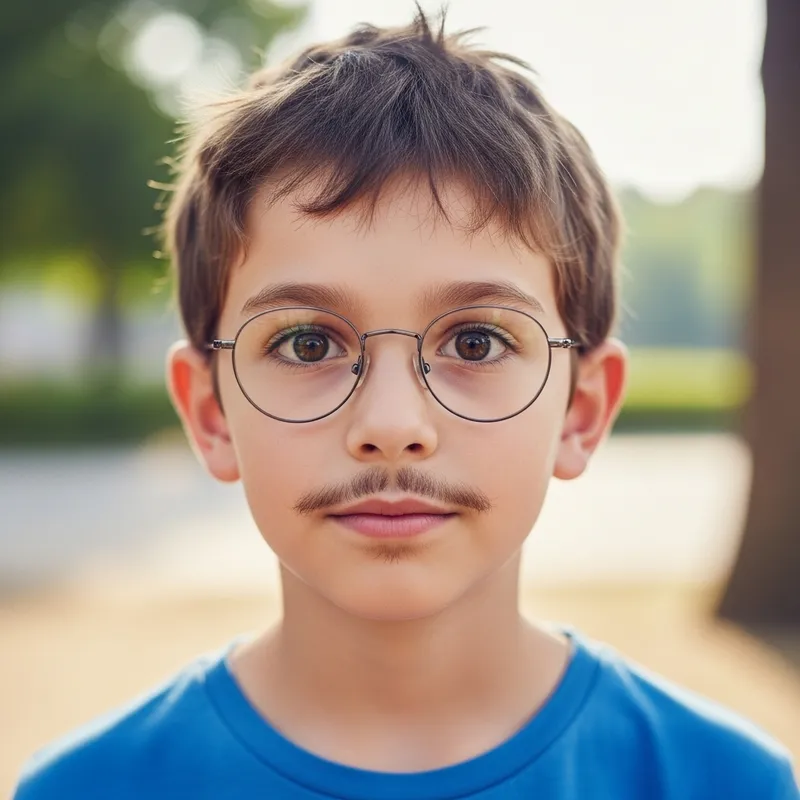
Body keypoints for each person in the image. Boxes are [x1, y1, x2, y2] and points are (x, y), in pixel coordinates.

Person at [13, 9, 799, 799]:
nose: (391, 427)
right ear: (211, 412)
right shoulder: (86, 789)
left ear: (581, 410)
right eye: (308, 344)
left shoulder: (725, 782)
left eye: (477, 343)